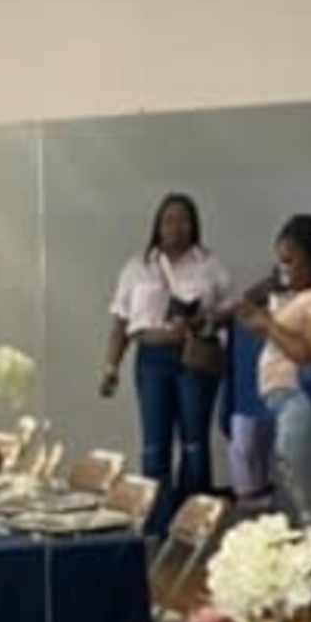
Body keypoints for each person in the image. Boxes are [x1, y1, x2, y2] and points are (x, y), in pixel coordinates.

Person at [98, 192, 226, 540]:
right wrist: (111, 368)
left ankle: (195, 525)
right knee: (155, 444)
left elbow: (229, 311)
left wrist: (204, 319)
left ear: (194, 225)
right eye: (169, 220)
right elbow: (121, 324)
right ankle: (156, 526)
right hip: (152, 358)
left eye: (184, 220)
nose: (176, 227)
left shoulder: (209, 264)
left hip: (192, 358)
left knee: (194, 443)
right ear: (157, 224)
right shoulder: (137, 266)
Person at [230, 212, 311, 516]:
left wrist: (267, 325)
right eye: (281, 262)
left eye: (291, 262)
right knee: (295, 496)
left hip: (303, 401)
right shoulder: (306, 294)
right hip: (285, 402)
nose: (285, 271)